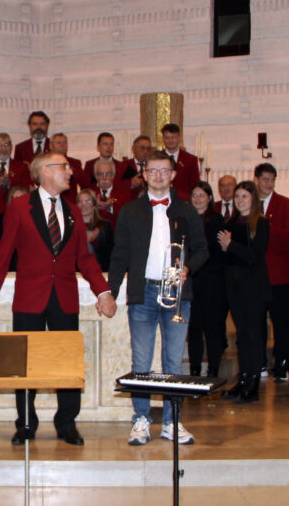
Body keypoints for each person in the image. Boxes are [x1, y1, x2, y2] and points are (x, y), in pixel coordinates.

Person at [0, 151, 117, 447]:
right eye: (64, 167)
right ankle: (26, 423)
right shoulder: (19, 207)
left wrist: (104, 292)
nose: (70, 171)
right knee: (25, 362)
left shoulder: (71, 210)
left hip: (64, 297)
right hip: (30, 297)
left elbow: (85, 258)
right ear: (44, 171)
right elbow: (3, 255)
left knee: (66, 363)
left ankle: (67, 423)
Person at [107, 151, 208, 446]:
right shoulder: (129, 211)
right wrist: (110, 293)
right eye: (153, 171)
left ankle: (171, 421)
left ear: (174, 174)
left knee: (173, 362)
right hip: (143, 293)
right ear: (144, 174)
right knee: (141, 361)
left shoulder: (187, 210)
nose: (159, 176)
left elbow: (202, 249)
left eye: (165, 170)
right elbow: (119, 255)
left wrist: (188, 266)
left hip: (177, 294)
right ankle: (141, 419)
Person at [219, 182, 270, 403]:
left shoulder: (261, 223)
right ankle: (243, 379)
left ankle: (254, 384)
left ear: (253, 199)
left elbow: (255, 255)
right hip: (234, 285)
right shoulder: (231, 222)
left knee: (253, 336)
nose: (239, 200)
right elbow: (227, 257)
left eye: (244, 196)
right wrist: (225, 249)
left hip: (253, 286)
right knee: (242, 336)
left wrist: (230, 246)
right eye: (237, 196)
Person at [254, 163, 289, 382]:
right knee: (256, 321)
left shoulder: (285, 204)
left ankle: (283, 363)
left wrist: (266, 229)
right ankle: (259, 361)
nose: (269, 183)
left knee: (283, 322)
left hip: (280, 273)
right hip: (255, 274)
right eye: (265, 179)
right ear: (256, 180)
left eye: (272, 179)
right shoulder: (248, 202)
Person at [186, 181, 228, 378]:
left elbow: (215, 250)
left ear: (210, 198)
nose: (198, 198)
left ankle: (213, 369)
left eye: (202, 195)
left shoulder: (217, 219)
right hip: (192, 280)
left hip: (212, 279)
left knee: (212, 327)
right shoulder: (185, 218)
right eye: (194, 195)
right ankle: (194, 368)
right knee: (193, 327)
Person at [76, 188, 114, 272]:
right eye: (80, 201)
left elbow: (109, 254)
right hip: (77, 273)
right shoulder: (70, 226)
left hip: (100, 271)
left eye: (88, 201)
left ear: (94, 204)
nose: (83, 205)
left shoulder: (105, 226)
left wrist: (94, 241)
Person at [92, 159, 133, 229]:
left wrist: (110, 208)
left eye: (108, 174)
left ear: (113, 175)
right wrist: (95, 207)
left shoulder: (124, 193)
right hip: (95, 236)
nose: (104, 178)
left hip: (117, 234)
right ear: (96, 176)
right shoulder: (90, 193)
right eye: (101, 174)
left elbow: (127, 216)